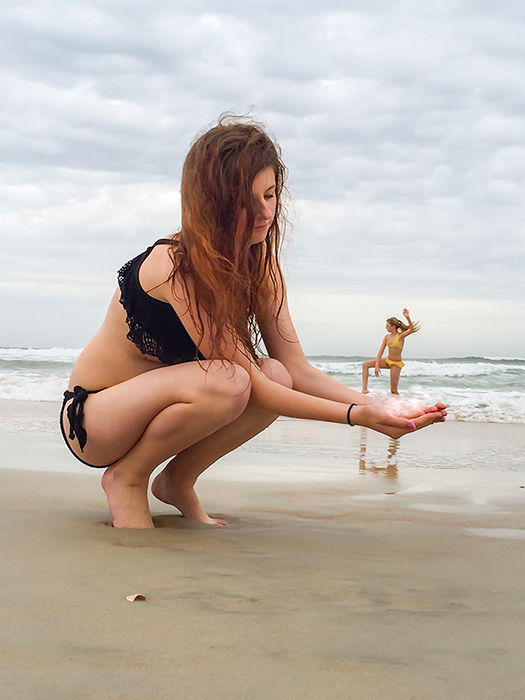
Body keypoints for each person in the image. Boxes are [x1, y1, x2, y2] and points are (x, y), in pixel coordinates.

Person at [60, 116, 446, 529]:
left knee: (277, 372)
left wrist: (381, 406)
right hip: (96, 419)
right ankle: (127, 478)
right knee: (230, 380)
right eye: (247, 201)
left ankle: (177, 480)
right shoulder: (174, 265)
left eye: (271, 194)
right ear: (212, 203)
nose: (264, 212)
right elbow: (247, 383)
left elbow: (295, 370)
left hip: (160, 410)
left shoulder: (260, 263)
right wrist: (354, 417)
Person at [361, 309, 420, 395]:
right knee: (365, 365)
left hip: (396, 364)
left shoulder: (400, 336)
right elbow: (380, 351)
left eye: (387, 325)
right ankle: (364, 390)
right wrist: (377, 365)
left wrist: (407, 317)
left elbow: (411, 329)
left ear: (393, 326)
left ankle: (398, 405)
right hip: (387, 361)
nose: (386, 327)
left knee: (393, 391)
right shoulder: (387, 337)